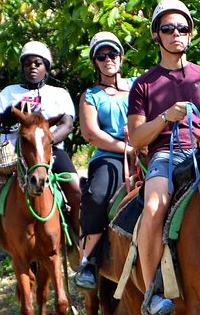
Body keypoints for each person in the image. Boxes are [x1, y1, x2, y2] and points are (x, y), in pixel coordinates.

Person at [127, 0, 200, 315]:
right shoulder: (144, 84)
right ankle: (152, 294)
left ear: (191, 33)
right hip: (165, 156)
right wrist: (164, 118)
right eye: (168, 28)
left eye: (182, 28)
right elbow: (136, 137)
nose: (176, 34)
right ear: (156, 35)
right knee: (154, 206)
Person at [0, 41, 82, 265]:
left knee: (76, 190)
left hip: (47, 154)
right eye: (28, 63)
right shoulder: (9, 93)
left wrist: (47, 144)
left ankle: (77, 240)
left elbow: (67, 123)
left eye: (38, 63)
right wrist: (7, 114)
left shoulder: (58, 93)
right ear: (23, 68)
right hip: (12, 155)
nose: (32, 67)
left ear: (46, 67)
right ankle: (4, 237)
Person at [74, 31, 137, 289]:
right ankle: (88, 260)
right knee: (98, 195)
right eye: (101, 56)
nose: (108, 59)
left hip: (145, 149)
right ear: (95, 62)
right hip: (110, 156)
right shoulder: (91, 96)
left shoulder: (137, 85)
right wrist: (125, 147)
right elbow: (91, 133)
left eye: (112, 53)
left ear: (121, 57)